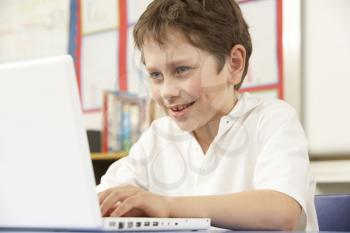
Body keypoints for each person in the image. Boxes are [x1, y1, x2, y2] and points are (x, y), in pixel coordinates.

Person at [96, 0, 318, 230]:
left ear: (234, 64)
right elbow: (98, 202)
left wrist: (167, 206)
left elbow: (281, 212)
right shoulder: (158, 136)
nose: (167, 92)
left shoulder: (271, 119)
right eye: (155, 75)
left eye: (182, 70)